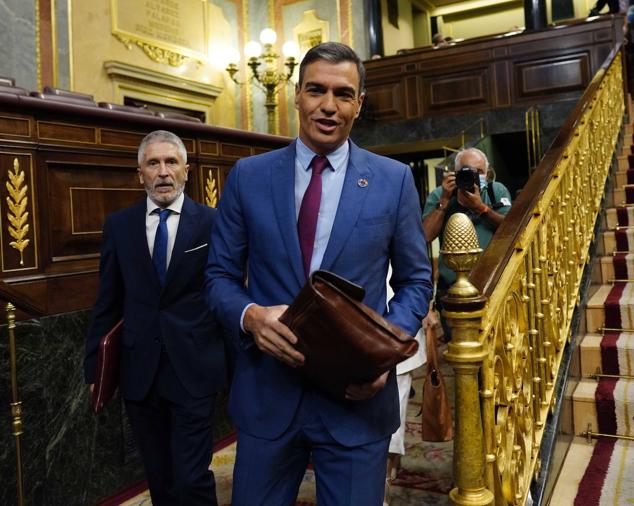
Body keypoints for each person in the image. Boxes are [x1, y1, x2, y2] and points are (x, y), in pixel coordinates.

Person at [206, 42, 433, 506]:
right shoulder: (249, 176)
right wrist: (250, 316)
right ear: (296, 94)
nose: (328, 106)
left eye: (343, 94)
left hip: (355, 399)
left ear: (359, 104)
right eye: (316, 90)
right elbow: (218, 276)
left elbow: (416, 281)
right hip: (268, 396)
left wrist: (383, 354)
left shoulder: (393, 180)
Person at [84, 130, 227, 505]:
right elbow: (107, 301)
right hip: (140, 372)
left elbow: (223, 294)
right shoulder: (120, 226)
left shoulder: (213, 223)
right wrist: (93, 370)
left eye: (171, 163)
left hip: (194, 368)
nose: (163, 172)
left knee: (192, 478)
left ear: (186, 171)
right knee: (159, 479)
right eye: (153, 163)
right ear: (140, 174)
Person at [422, 148, 511, 331]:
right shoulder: (440, 195)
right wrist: (445, 202)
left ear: (488, 173)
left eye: (479, 172)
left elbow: (511, 230)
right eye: (468, 171)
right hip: (453, 290)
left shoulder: (496, 190)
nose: (475, 176)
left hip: (492, 283)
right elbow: (425, 236)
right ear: (455, 174)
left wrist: (481, 208)